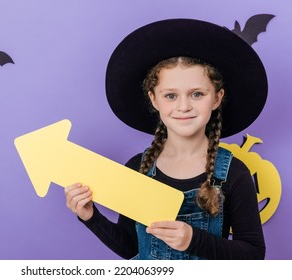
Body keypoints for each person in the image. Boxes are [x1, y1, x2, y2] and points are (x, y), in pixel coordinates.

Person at [65, 19, 266, 260]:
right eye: (170, 95)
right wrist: (91, 217)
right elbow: (131, 247)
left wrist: (193, 240)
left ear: (216, 98)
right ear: (154, 99)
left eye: (197, 94)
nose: (184, 106)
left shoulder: (233, 173)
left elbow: (253, 254)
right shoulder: (138, 168)